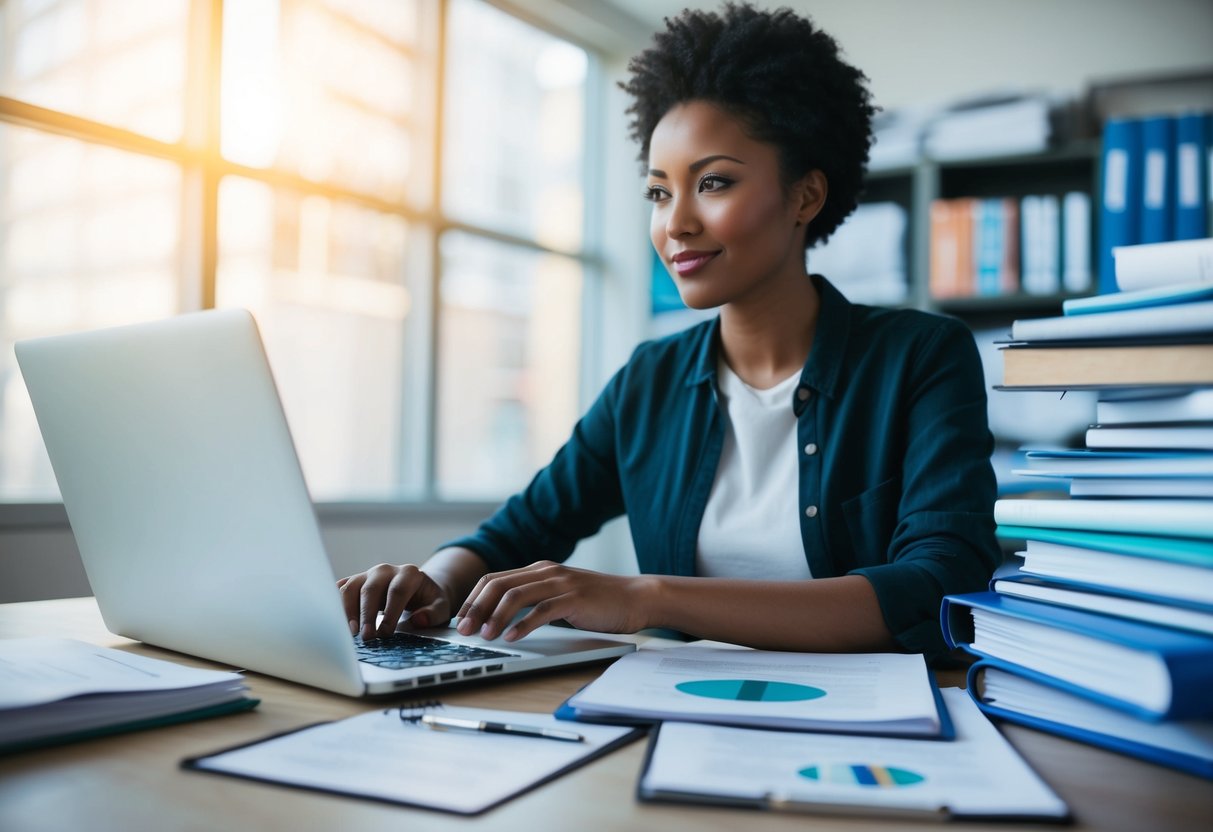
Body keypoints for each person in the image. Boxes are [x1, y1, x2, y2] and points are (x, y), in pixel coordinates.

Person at [338, 2, 1000, 660]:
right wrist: (427, 579)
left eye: (712, 182)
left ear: (804, 196)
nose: (675, 223)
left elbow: (939, 585)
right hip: (679, 709)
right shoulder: (648, 381)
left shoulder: (919, 356)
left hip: (877, 723)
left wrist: (644, 598)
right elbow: (518, 531)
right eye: (659, 192)